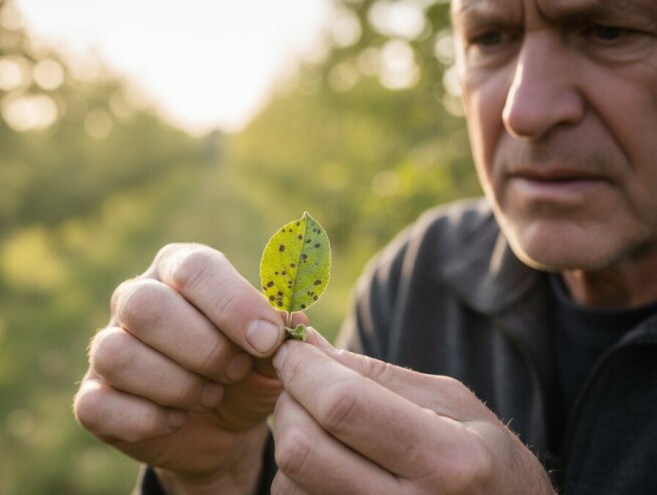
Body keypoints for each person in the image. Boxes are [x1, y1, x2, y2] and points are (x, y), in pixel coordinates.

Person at [74, 0, 657, 492]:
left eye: (608, 31)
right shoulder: (415, 278)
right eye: (490, 37)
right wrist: (225, 476)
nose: (522, 111)